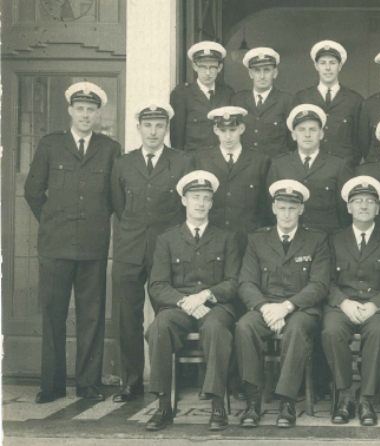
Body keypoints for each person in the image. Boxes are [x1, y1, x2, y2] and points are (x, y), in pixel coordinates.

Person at [24, 82, 121, 404]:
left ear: (98, 113)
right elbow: (33, 191)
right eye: (79, 109)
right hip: (55, 246)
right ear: (70, 111)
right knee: (52, 314)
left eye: (91, 110)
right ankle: (51, 386)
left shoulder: (109, 148)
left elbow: (114, 198)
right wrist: (52, 222)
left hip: (92, 246)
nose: (85, 115)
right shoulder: (51, 146)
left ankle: (88, 384)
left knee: (91, 316)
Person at [144, 171, 241, 432]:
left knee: (216, 329)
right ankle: (163, 406)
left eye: (206, 198)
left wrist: (206, 295)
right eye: (195, 197)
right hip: (180, 307)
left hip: (215, 306)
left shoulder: (226, 238)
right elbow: (157, 285)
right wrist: (184, 300)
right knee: (159, 328)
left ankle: (217, 405)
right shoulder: (167, 239)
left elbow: (234, 282)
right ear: (184, 201)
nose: (200, 203)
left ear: (212, 203)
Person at [110, 101, 193, 403]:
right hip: (129, 248)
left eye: (159, 126)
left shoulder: (183, 162)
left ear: (166, 128)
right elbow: (119, 206)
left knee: (166, 316)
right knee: (126, 317)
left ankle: (164, 382)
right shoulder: (123, 163)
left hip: (166, 250)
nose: (154, 131)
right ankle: (131, 382)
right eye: (148, 125)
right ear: (139, 128)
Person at [235, 180, 331, 428]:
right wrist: (265, 308)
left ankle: (287, 402)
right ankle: (252, 401)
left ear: (301, 210)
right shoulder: (257, 240)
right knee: (244, 326)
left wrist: (286, 307)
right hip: (266, 308)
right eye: (282, 207)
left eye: (292, 208)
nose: (287, 213)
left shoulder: (316, 240)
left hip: (301, 310)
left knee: (296, 330)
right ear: (274, 208)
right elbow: (246, 282)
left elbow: (319, 284)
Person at [322, 176, 380, 427]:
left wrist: (376, 304)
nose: (364, 206)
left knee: (379, 331)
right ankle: (345, 396)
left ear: (378, 208)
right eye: (357, 201)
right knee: (331, 330)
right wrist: (343, 302)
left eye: (370, 201)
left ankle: (366, 398)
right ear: (348, 207)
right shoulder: (334, 239)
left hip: (378, 306)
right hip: (343, 305)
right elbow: (326, 281)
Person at [192, 106, 271, 252]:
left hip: (247, 242)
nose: (228, 136)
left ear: (241, 128)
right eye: (223, 130)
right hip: (211, 241)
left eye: (233, 130)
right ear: (216, 130)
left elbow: (265, 207)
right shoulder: (202, 159)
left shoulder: (259, 160)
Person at [268, 104, 354, 234]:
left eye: (313, 129)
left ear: (321, 134)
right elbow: (271, 208)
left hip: (326, 237)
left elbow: (344, 211)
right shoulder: (279, 164)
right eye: (301, 130)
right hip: (291, 237)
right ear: (293, 135)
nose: (307, 135)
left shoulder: (338, 165)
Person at [294, 40, 364, 167]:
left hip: (343, 168)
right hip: (310, 168)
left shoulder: (354, 100)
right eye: (322, 63)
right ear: (316, 66)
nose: (327, 68)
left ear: (340, 66)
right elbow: (293, 137)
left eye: (332, 63)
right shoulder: (303, 97)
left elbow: (360, 141)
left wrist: (349, 165)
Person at [170, 41, 235, 152]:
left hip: (221, 161)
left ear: (220, 68)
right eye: (203, 67)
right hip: (194, 162)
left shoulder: (227, 93)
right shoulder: (182, 95)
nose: (208, 73)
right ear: (195, 66)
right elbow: (177, 138)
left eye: (212, 67)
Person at [232, 47, 296, 158]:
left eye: (266, 70)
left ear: (275, 73)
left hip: (275, 166)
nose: (262, 76)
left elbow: (292, 140)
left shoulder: (286, 101)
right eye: (257, 70)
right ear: (250, 73)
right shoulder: (238, 100)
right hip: (246, 165)